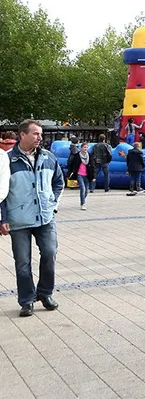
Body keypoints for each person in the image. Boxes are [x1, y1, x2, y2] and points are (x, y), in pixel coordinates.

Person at [0, 120, 64, 317]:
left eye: (40, 134)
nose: (40, 137)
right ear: (22, 135)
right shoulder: (8, 160)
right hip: (18, 220)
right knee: (22, 262)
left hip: (45, 218)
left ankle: (45, 293)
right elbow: (0, 191)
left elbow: (58, 182)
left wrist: (53, 206)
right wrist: (2, 218)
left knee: (49, 253)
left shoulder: (48, 157)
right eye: (35, 134)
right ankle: (26, 300)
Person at [67, 142, 95, 211]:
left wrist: (94, 176)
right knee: (83, 189)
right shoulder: (77, 156)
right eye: (84, 147)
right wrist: (69, 174)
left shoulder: (90, 156)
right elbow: (71, 165)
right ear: (81, 148)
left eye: (86, 147)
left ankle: (83, 200)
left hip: (87, 175)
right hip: (79, 174)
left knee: (86, 191)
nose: (85, 149)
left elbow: (93, 167)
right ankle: (83, 204)